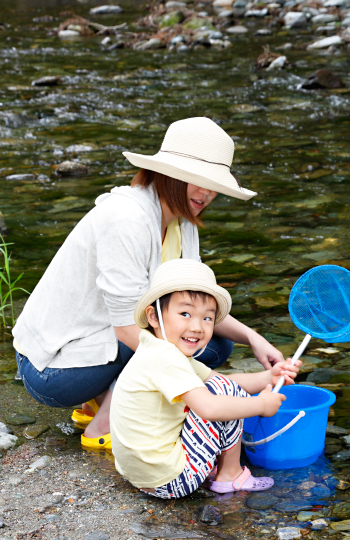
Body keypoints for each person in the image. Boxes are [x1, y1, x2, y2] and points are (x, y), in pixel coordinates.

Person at [12, 117, 285, 451]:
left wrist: (254, 339)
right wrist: (200, 386)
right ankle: (104, 424)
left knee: (215, 342)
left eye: (214, 183)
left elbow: (197, 307)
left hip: (98, 347)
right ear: (166, 173)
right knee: (176, 339)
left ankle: (98, 400)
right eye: (195, 179)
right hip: (53, 370)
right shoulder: (127, 220)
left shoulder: (183, 224)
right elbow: (128, 328)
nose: (207, 192)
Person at [110, 258, 300, 497]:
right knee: (222, 393)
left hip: (142, 476)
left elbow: (222, 380)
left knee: (219, 386)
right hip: (170, 481)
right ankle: (229, 475)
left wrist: (270, 377)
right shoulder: (166, 358)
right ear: (154, 317)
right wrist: (260, 405)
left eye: (207, 318)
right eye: (185, 313)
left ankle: (211, 468)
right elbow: (211, 405)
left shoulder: (155, 349)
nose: (198, 327)